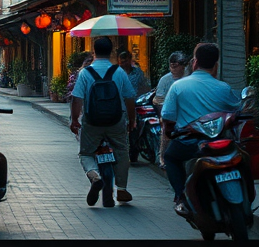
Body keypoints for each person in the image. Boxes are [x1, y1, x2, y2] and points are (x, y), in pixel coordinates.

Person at [160, 43, 242, 215]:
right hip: (218, 141)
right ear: (216, 64)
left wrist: (170, 133)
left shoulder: (178, 86)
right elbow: (237, 110)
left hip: (189, 143)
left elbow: (168, 117)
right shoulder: (223, 88)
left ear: (194, 62)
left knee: (170, 157)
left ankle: (180, 196)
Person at [69, 37, 137, 207]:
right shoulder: (119, 72)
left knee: (86, 153)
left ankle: (95, 176)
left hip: (92, 122)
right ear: (111, 52)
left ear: (94, 52)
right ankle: (121, 188)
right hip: (116, 121)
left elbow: (76, 99)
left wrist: (75, 120)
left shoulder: (85, 73)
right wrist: (131, 120)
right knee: (122, 151)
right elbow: (130, 98)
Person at [153, 51, 188, 168]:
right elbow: (159, 99)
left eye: (176, 66)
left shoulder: (189, 78)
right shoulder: (165, 80)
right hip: (170, 113)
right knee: (165, 133)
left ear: (183, 66)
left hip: (186, 113)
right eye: (171, 66)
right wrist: (163, 116)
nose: (173, 69)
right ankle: (162, 158)